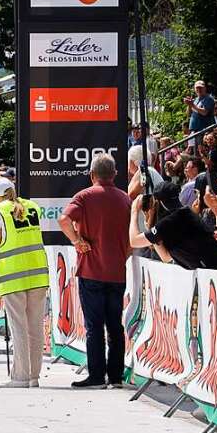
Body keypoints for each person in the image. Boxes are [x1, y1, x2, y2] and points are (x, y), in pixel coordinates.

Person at [58, 154, 132, 389]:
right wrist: (123, 254)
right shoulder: (125, 198)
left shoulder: (85, 196)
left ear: (92, 175)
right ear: (115, 175)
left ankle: (97, 376)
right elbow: (134, 236)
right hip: (117, 272)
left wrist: (77, 240)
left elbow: (63, 220)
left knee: (94, 326)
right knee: (115, 326)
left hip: (91, 270)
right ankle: (117, 377)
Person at [0, 178, 49, 389]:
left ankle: (20, 377)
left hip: (14, 275)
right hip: (38, 274)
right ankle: (34, 376)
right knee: (35, 328)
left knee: (19, 329)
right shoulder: (32, 206)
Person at [129, 182, 217, 270]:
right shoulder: (185, 213)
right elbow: (166, 257)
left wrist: (134, 211)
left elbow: (134, 241)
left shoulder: (171, 221)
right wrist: (150, 226)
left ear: (158, 202)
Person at [184, 80, 215, 146]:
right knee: (197, 152)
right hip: (195, 131)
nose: (199, 89)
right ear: (194, 89)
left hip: (204, 130)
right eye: (197, 88)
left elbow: (204, 112)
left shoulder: (209, 98)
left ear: (205, 88)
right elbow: (188, 114)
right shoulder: (195, 100)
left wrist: (192, 105)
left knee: (203, 151)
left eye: (201, 88)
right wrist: (189, 105)